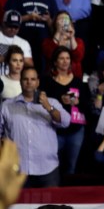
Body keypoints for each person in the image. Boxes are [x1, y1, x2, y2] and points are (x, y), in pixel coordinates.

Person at [0, 66, 71, 187]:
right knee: (19, 206)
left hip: (48, 169)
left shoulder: (52, 102)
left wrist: (49, 108)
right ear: (20, 81)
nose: (29, 82)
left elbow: (66, 121)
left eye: (33, 79)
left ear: (38, 82)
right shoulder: (7, 105)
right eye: (25, 79)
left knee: (50, 206)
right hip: (17, 170)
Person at [39, 46, 89, 176]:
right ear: (55, 62)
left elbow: (88, 106)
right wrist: (60, 100)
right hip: (54, 130)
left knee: (71, 167)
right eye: (61, 58)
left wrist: (78, 102)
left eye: (67, 58)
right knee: (53, 166)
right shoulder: (46, 81)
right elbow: (42, 104)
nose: (65, 61)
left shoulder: (78, 82)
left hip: (75, 130)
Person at [4, 0, 55, 69]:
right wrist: (28, 17)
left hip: (42, 44)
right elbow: (7, 18)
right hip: (21, 40)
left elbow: (55, 23)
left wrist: (48, 20)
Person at [41, 11, 85, 79]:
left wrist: (72, 36)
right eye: (61, 19)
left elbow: (78, 57)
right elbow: (50, 54)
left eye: (66, 19)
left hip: (74, 77)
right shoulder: (47, 41)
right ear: (55, 23)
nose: (63, 21)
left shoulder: (78, 41)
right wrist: (58, 31)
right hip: (54, 77)